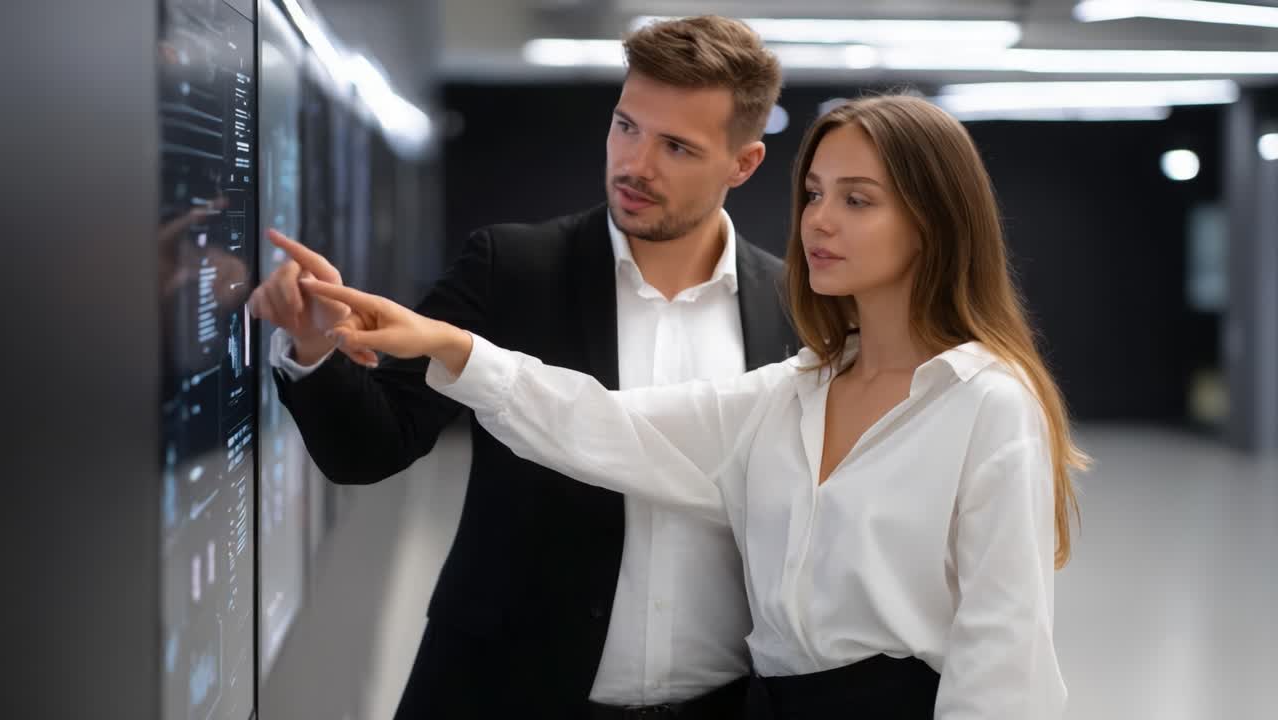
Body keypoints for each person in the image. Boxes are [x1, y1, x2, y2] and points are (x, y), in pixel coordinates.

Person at [294, 94, 1091, 719]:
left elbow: (1005, 657)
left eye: (858, 200)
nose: (818, 220)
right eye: (815, 193)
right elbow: (604, 424)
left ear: (934, 223)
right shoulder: (795, 391)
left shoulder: (986, 403)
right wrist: (446, 344)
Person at [249, 15, 796, 720]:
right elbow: (372, 446)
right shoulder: (513, 268)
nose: (636, 164)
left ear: (743, 164)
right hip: (508, 694)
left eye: (677, 147)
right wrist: (316, 348)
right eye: (625, 126)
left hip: (723, 705)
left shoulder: (793, 311)